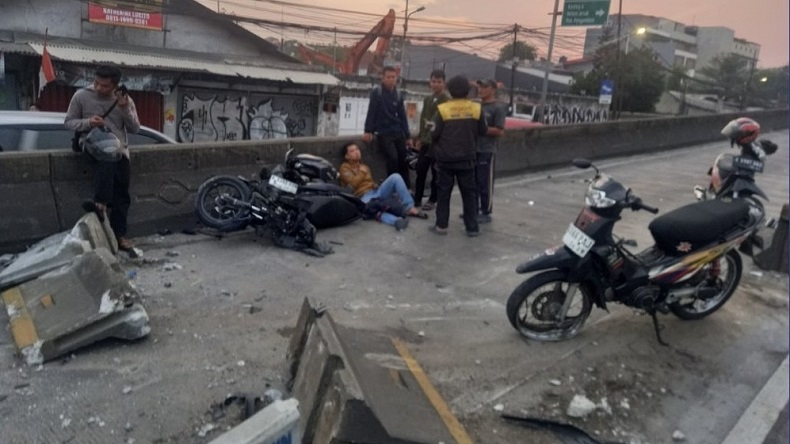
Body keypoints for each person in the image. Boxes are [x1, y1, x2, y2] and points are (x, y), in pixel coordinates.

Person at [65, 65, 141, 255]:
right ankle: (100, 201)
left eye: (105, 86)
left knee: (122, 194)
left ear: (115, 85)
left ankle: (119, 235)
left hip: (119, 149)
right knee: (107, 153)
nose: (99, 88)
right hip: (91, 143)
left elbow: (135, 128)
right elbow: (69, 122)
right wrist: (89, 122)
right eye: (96, 83)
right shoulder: (81, 96)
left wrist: (124, 108)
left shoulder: (124, 100)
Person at [429, 75, 488, 237]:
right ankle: (472, 227)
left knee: (443, 193)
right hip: (468, 158)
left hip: (446, 159)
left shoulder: (443, 109)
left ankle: (441, 226)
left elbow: (433, 132)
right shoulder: (476, 108)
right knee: (469, 194)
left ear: (449, 89)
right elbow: (483, 131)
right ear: (468, 91)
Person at [338, 142, 427, 231]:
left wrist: (377, 185)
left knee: (395, 177)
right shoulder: (344, 168)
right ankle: (396, 221)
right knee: (373, 209)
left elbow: (370, 182)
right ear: (347, 156)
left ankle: (409, 207)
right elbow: (353, 184)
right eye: (352, 151)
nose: (356, 152)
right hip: (362, 197)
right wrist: (362, 172)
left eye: (357, 149)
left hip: (375, 191)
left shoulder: (364, 166)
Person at [362, 66, 412, 189]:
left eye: (393, 77)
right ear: (383, 78)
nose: (391, 80)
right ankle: (392, 186)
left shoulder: (398, 94)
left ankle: (406, 187)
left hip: (397, 131)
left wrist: (408, 136)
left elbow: (402, 116)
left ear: (396, 78)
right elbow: (371, 112)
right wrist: (368, 131)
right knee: (392, 158)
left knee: (403, 159)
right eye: (388, 77)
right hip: (384, 132)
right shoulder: (377, 92)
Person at [412, 69, 449, 211]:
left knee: (436, 172)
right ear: (430, 82)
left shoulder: (446, 100)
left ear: (444, 83)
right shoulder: (428, 99)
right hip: (425, 142)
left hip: (438, 143)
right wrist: (420, 136)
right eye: (433, 81)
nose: (436, 84)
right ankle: (418, 198)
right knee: (421, 169)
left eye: (439, 82)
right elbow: (423, 120)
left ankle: (433, 199)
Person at [474, 79, 506, 224]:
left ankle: (486, 210)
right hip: (474, 148)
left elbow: (499, 130)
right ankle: (473, 208)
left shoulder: (497, 108)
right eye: (479, 87)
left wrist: (483, 129)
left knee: (485, 181)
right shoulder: (477, 106)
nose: (480, 90)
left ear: (493, 89)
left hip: (487, 149)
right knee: (473, 181)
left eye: (484, 87)